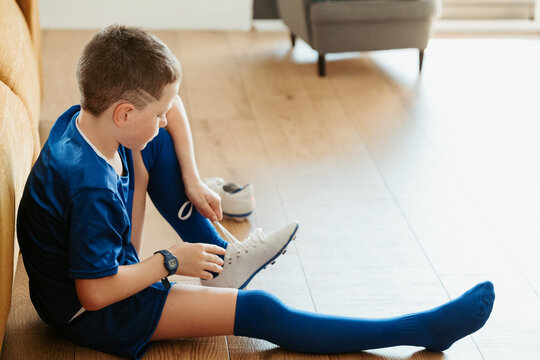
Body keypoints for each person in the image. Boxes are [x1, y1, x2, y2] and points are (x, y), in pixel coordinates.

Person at [17, 24, 495, 360]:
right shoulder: (91, 189)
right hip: (90, 311)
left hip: (97, 260)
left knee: (156, 146)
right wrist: (169, 262)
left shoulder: (84, 121)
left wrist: (191, 178)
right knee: (262, 312)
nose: (165, 118)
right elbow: (96, 293)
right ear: (123, 113)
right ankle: (421, 329)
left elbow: (171, 104)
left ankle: (223, 264)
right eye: (156, 112)